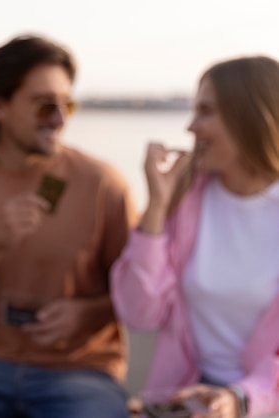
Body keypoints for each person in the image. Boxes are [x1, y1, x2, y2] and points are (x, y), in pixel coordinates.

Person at [0, 34, 137, 418]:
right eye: (44, 106)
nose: (60, 119)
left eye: (67, 104)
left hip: (80, 369)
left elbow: (140, 296)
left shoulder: (104, 183)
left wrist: (88, 314)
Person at [111, 56, 279, 418]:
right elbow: (139, 313)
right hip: (186, 400)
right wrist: (156, 206)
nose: (191, 127)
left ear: (248, 115)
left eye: (206, 111)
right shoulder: (187, 199)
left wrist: (240, 400)